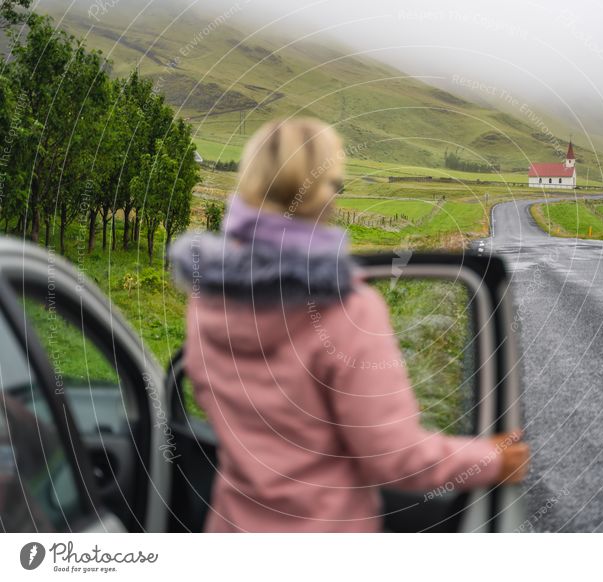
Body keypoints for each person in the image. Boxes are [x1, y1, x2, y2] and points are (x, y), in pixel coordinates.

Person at [170, 118, 530, 532]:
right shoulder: (346, 310)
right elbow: (394, 457)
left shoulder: (205, 297)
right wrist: (490, 458)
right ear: (326, 195)